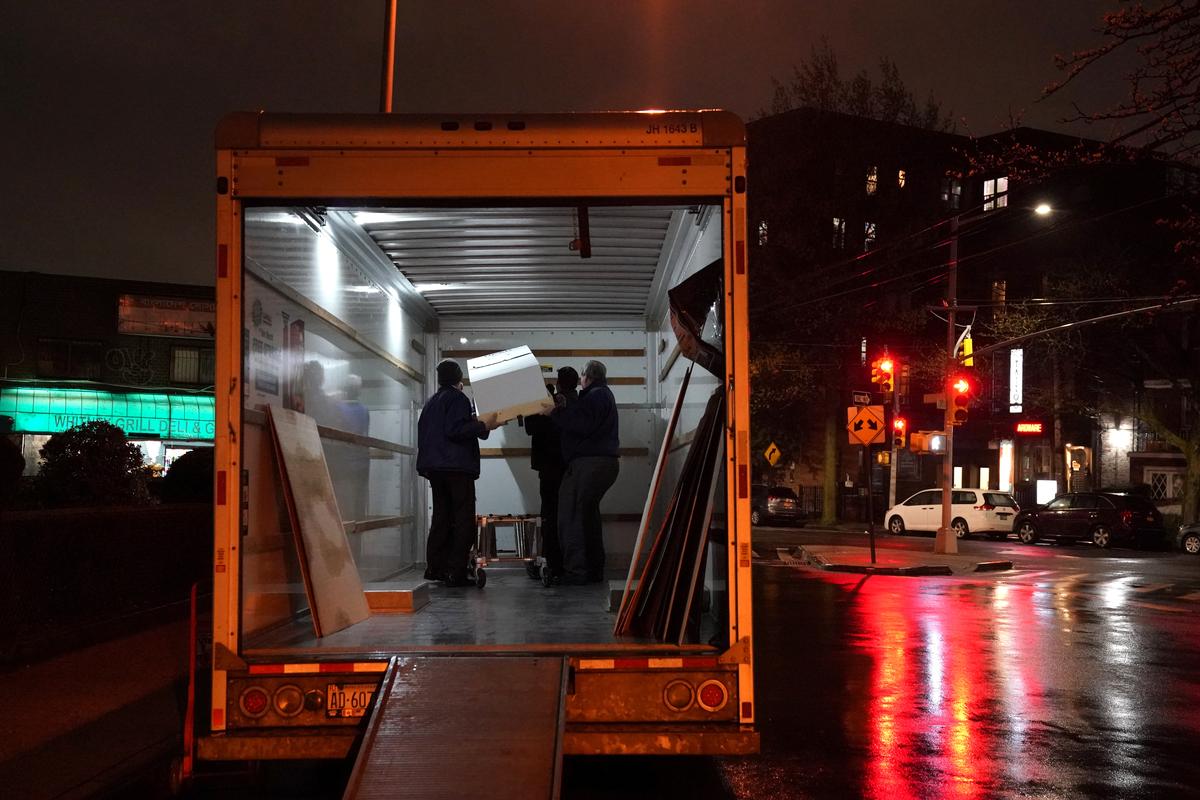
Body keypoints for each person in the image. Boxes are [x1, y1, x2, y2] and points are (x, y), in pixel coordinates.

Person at [417, 359, 500, 586]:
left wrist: (478, 424)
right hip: (457, 468)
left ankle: (436, 568)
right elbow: (456, 430)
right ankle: (456, 571)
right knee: (463, 519)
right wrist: (484, 425)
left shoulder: (431, 402)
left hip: (435, 469)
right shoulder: (457, 399)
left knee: (441, 518)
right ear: (458, 378)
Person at [552, 359, 619, 584]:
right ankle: (592, 570)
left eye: (582, 377)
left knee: (571, 516)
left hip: (589, 463)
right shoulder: (601, 395)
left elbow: (581, 424)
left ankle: (577, 572)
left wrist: (554, 412)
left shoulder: (596, 396)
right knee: (587, 517)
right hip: (598, 463)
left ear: (587, 377)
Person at [522, 367, 579, 580]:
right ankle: (568, 564)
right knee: (570, 515)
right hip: (570, 466)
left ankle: (552, 564)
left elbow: (531, 427)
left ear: (559, 382)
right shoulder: (578, 402)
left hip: (549, 467)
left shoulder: (552, 402)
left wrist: (536, 401)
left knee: (550, 515)